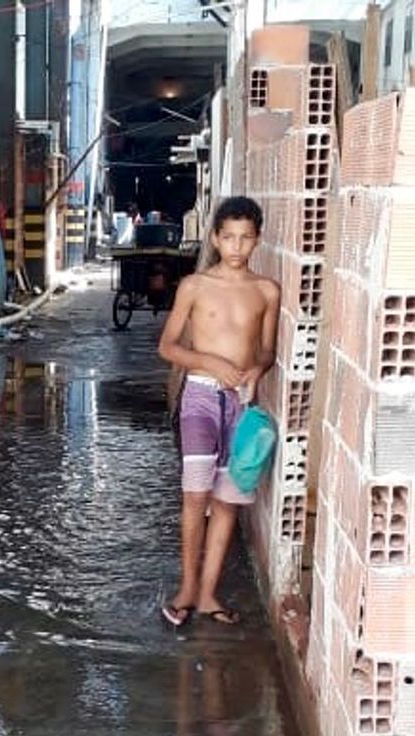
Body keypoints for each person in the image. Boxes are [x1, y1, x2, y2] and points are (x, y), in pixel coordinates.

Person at [157, 196, 279, 627]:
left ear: (257, 240)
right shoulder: (195, 286)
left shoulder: (267, 291)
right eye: (228, 237)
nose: (237, 247)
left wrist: (255, 370)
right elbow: (167, 346)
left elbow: (267, 350)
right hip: (200, 399)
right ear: (215, 238)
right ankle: (187, 587)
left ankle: (209, 594)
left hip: (241, 404)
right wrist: (212, 363)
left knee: (228, 501)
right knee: (194, 496)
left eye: (246, 238)